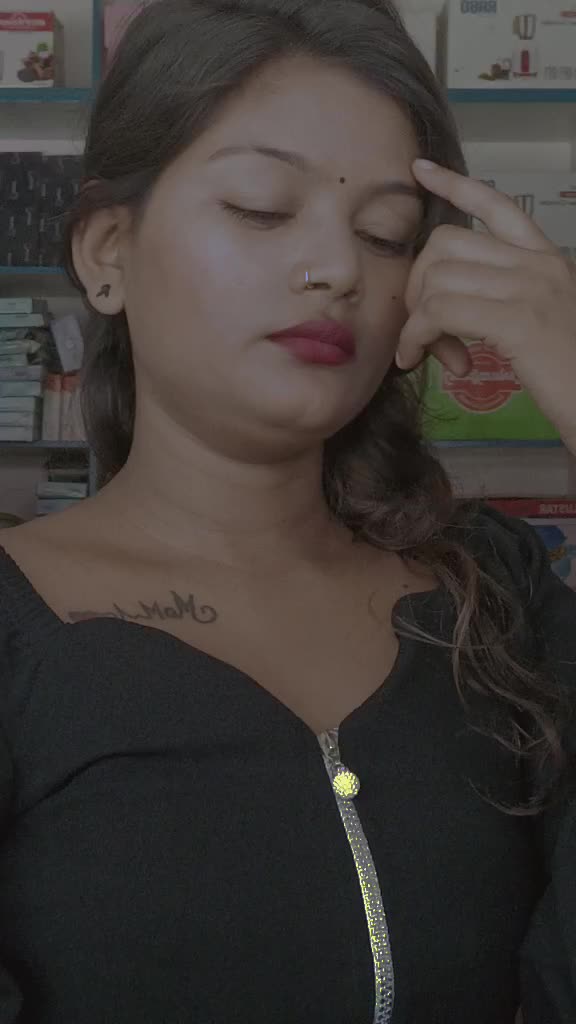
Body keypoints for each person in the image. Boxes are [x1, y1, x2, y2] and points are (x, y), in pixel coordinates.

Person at [0, 0, 575, 1020]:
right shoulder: (18, 630)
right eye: (262, 207)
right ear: (107, 250)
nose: (338, 269)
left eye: (385, 234)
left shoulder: (494, 595)